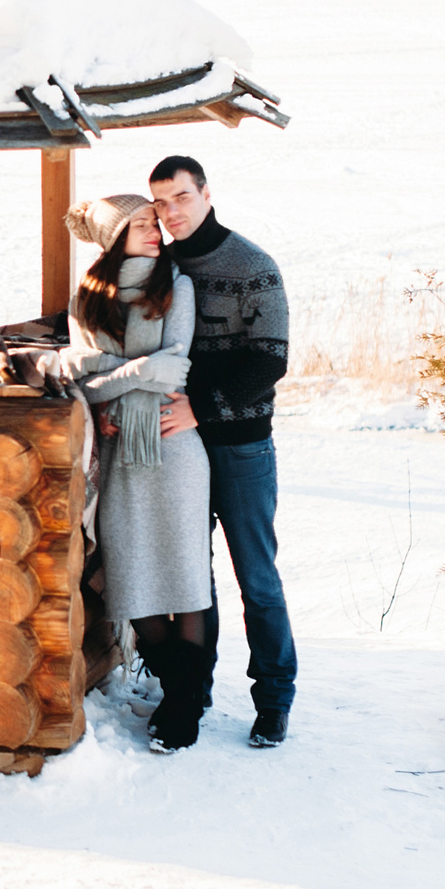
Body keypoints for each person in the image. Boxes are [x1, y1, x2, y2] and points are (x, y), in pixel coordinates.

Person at [147, 154, 296, 748]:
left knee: (255, 578)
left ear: (206, 194)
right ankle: (192, 692)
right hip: (177, 448)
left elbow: (270, 360)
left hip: (239, 447)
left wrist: (201, 408)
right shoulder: (159, 265)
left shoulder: (251, 265)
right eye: (159, 203)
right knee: (190, 578)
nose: (171, 212)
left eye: (180, 197)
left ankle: (274, 699)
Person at [58, 193, 215, 752]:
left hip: (173, 449)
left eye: (156, 222)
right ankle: (185, 691)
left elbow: (174, 368)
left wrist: (118, 373)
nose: (156, 231)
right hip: (122, 458)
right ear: (114, 238)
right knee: (131, 583)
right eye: (143, 224)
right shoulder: (88, 300)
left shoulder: (179, 286)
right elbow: (82, 382)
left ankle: (181, 712)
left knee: (185, 579)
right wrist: (141, 370)